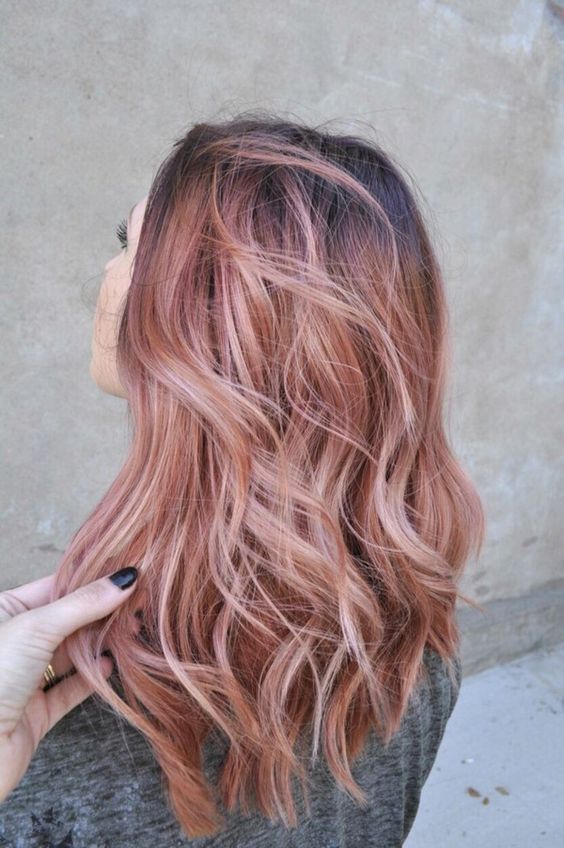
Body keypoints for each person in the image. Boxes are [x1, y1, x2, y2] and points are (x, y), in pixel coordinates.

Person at [0, 113, 485, 847]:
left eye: (128, 243)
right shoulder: (419, 645)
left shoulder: (51, 728)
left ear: (203, 320)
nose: (108, 270)